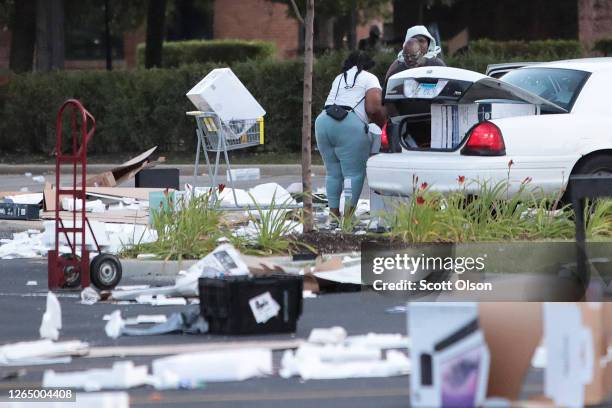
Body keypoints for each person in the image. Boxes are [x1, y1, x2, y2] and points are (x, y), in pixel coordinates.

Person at [315, 51, 385, 227]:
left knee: (333, 173)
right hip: (349, 124)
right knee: (353, 174)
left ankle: (333, 216)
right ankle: (347, 218)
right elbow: (374, 106)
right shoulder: (369, 77)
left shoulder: (338, 78)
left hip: (323, 121)